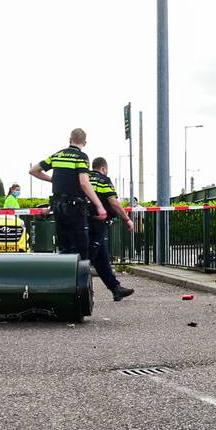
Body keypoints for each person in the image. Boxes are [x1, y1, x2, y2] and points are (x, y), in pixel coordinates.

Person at [29, 128, 107, 260]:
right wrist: (99, 205)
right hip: (75, 208)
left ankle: (64, 277)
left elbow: (33, 170)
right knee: (81, 248)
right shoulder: (81, 157)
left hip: (58, 207)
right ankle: (80, 279)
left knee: (64, 248)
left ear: (70, 139)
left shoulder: (57, 155)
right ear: (85, 143)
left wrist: (53, 179)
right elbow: (84, 182)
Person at [87, 157, 136, 301]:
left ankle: (116, 289)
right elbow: (113, 202)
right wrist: (127, 219)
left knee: (101, 258)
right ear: (104, 169)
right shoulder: (103, 180)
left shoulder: (84, 177)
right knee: (86, 259)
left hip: (83, 222)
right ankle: (79, 291)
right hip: (97, 224)